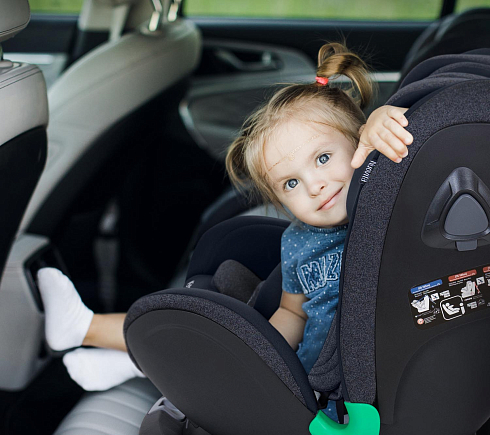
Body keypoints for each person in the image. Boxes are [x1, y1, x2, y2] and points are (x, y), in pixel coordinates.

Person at [37, 42, 412, 391]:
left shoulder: (388, 203)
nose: (315, 185)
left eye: (323, 158)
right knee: (216, 338)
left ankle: (112, 345)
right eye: (291, 183)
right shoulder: (298, 241)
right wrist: (260, 354)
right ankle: (132, 356)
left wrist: (382, 120)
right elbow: (293, 314)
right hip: (305, 387)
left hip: (351, 391)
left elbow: (418, 148)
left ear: (361, 142)